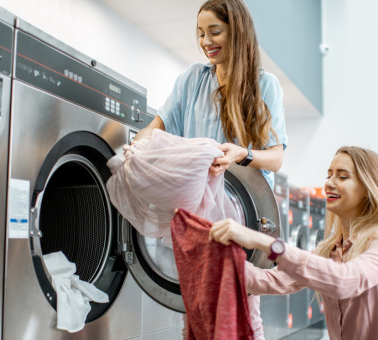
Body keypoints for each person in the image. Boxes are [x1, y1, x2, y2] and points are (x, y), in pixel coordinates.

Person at [133, 0, 287, 338]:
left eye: (215, 31)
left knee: (243, 307)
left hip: (243, 215)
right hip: (196, 213)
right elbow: (156, 126)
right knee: (196, 306)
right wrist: (138, 145)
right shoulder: (192, 79)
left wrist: (242, 154)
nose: (206, 41)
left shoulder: (265, 85)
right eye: (200, 33)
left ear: (237, 32)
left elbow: (275, 158)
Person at [209, 146, 378, 340]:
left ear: (368, 189)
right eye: (329, 175)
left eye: (342, 177)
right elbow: (271, 281)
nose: (329, 183)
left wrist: (264, 242)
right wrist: (215, 258)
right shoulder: (330, 250)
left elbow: (346, 281)